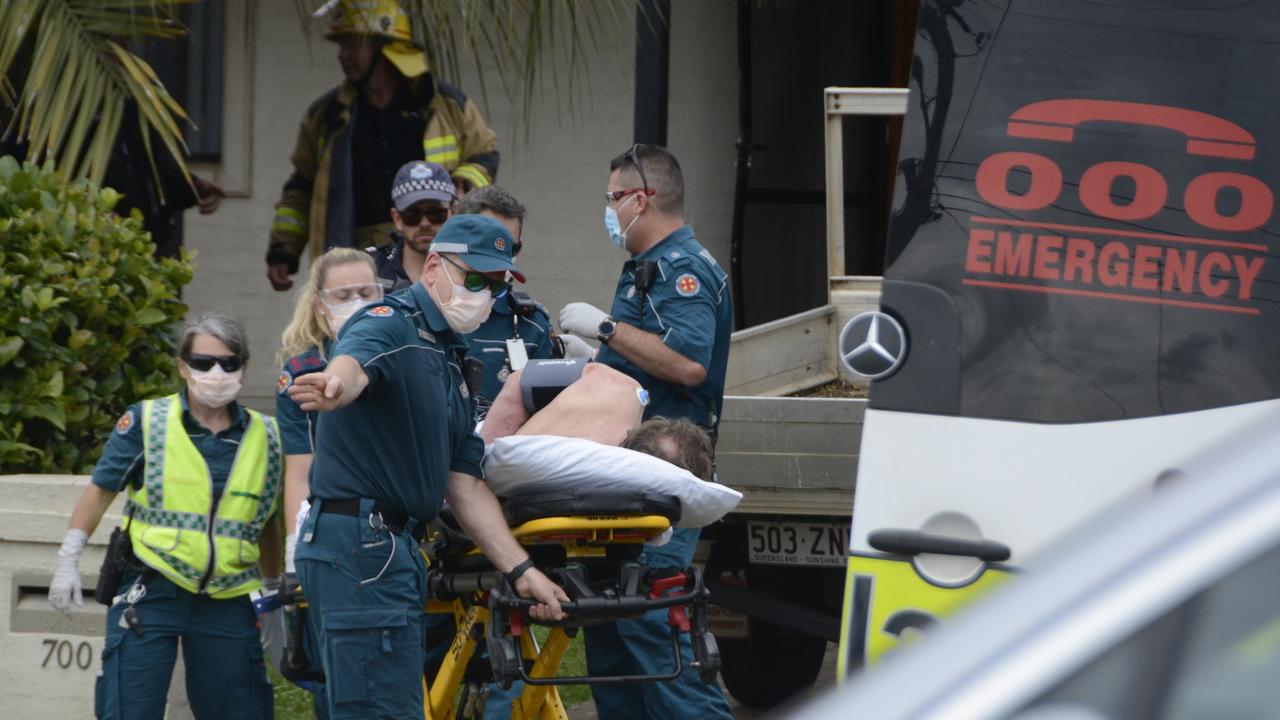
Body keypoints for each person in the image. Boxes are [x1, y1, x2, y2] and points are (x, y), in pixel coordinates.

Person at [287, 214, 568, 718]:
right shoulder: (390, 321)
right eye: (475, 278)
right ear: (434, 264)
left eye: (498, 283)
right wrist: (335, 385)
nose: (486, 294)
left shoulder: (454, 361)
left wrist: (522, 570)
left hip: (387, 551)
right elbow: (353, 363)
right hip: (361, 546)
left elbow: (463, 484)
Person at [558, 143, 734, 720]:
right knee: (612, 638)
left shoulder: (682, 269)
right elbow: (646, 363)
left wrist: (606, 329)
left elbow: (689, 363)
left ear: (642, 198)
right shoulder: (644, 267)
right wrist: (592, 358)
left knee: (659, 638)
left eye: (613, 199)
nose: (608, 211)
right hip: (630, 476)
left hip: (665, 472)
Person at [47, 312, 282, 720]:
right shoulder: (147, 421)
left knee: (240, 709)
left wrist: (274, 591)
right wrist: (68, 556)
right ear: (182, 365)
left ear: (244, 366)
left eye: (228, 363)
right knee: (130, 708)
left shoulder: (270, 436)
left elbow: (266, 523)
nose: (215, 372)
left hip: (227, 598)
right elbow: (101, 489)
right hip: (151, 586)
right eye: (203, 362)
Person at [266, 0, 500, 291]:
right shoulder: (326, 116)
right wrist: (283, 251)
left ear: (384, 47)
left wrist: (465, 181)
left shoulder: (443, 105)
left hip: (427, 246)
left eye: (353, 45)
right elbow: (301, 188)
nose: (344, 56)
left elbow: (485, 154)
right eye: (342, 46)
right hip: (354, 255)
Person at [275, 248, 383, 717]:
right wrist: (295, 550)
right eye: (344, 295)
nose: (356, 301)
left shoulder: (399, 352)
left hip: (396, 522)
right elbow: (300, 469)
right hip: (333, 528)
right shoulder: (301, 374)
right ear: (321, 305)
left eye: (367, 292)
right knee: (334, 670)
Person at [454, 184, 588, 420]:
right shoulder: (421, 311)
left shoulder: (530, 324)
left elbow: (551, 416)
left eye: (511, 247)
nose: (500, 253)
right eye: (491, 241)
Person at [369, 160, 456, 292]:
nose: (424, 223)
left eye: (435, 213)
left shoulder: (471, 268)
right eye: (412, 214)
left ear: (452, 214)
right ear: (397, 218)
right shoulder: (371, 270)